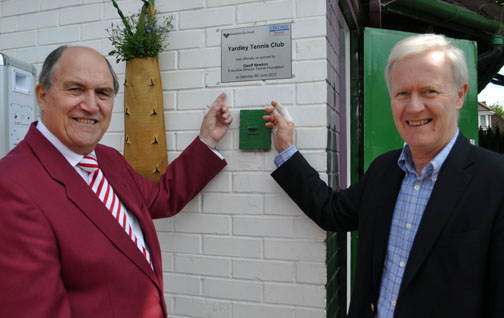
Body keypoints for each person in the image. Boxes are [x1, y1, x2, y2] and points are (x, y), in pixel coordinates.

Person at [264, 33, 504, 317]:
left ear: (460, 95)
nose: (414, 107)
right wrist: (287, 150)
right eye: (402, 93)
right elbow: (331, 211)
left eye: (429, 91)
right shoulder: (383, 170)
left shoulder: (496, 180)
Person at [0, 45, 232, 318]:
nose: (90, 105)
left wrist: (207, 140)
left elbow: (162, 198)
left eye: (103, 93)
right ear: (42, 95)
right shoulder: (12, 186)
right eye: (75, 89)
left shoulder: (107, 159)